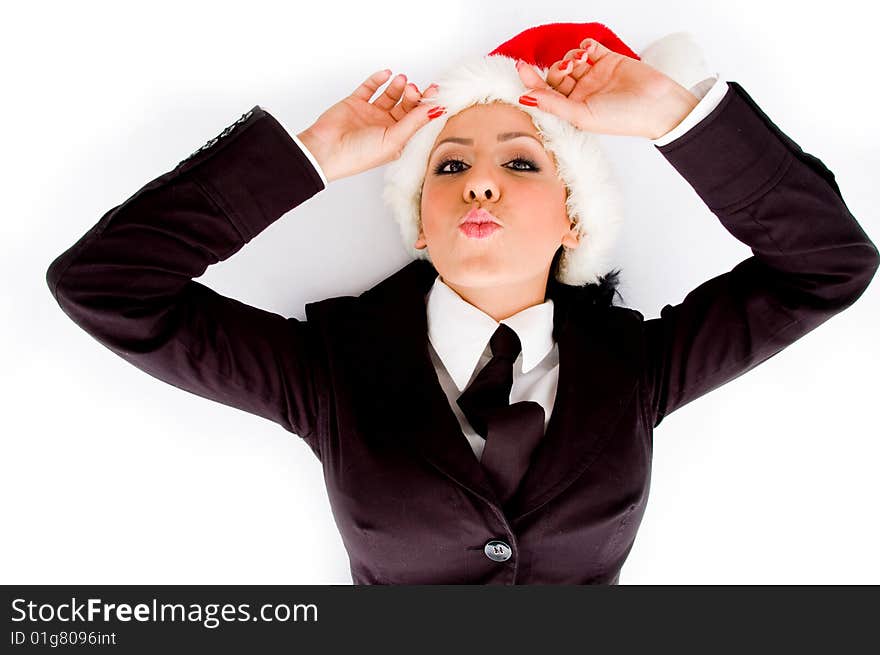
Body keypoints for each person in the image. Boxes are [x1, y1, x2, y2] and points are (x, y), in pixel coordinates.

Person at [46, 22, 879, 584]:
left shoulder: (639, 366)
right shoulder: (329, 370)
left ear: (574, 215)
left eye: (521, 164)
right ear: (419, 223)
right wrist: (308, 158)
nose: (479, 178)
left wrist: (677, 115)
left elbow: (828, 266)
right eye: (447, 166)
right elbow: (105, 286)